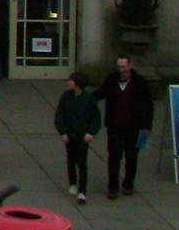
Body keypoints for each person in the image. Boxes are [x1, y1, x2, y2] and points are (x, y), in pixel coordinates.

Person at [94, 55, 153, 199]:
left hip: (135, 127)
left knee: (132, 157)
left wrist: (147, 126)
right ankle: (113, 187)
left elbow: (148, 106)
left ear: (130, 66)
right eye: (119, 67)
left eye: (124, 66)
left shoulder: (140, 82)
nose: (121, 70)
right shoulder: (111, 79)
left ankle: (128, 184)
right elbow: (100, 93)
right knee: (114, 156)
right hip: (115, 125)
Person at [54, 71, 100, 205]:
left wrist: (91, 132)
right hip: (70, 134)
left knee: (82, 162)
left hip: (82, 135)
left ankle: (82, 191)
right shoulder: (66, 97)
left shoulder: (88, 99)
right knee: (71, 159)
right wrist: (62, 132)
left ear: (78, 83)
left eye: (71, 80)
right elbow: (59, 115)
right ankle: (73, 182)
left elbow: (95, 118)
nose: (68, 82)